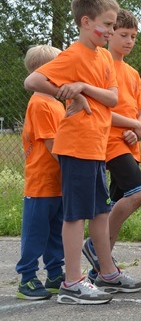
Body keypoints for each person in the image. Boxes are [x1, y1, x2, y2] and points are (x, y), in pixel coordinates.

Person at [24, 0, 141, 305]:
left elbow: (112, 98)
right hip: (76, 146)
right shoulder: (73, 55)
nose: (111, 31)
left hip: (96, 146)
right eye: (107, 25)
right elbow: (32, 81)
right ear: (86, 22)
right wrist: (71, 94)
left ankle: (107, 273)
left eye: (114, 25)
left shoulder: (103, 56)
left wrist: (83, 88)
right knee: (75, 216)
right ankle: (72, 282)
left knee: (101, 212)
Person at [82, 10, 141, 284]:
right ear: (110, 34)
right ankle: (94, 246)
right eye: (123, 35)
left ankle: (101, 272)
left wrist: (138, 128)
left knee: (115, 213)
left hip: (130, 145)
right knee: (139, 192)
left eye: (133, 36)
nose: (129, 41)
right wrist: (131, 125)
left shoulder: (132, 73)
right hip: (109, 143)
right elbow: (100, 111)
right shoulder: (101, 64)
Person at [15, 45, 65, 300]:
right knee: (35, 233)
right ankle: (27, 278)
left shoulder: (56, 104)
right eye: (59, 69)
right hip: (41, 183)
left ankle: (55, 274)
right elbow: (52, 144)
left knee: (56, 232)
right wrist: (72, 167)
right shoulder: (40, 104)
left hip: (57, 182)